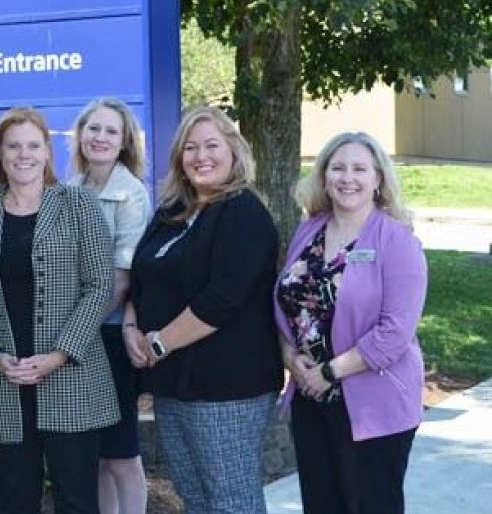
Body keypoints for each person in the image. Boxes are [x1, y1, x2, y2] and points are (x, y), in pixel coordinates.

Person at [122, 106, 283, 514]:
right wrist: (130, 328)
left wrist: (160, 343)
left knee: (231, 500)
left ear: (233, 151)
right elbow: (141, 278)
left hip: (227, 385)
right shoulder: (172, 212)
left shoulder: (243, 212)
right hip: (173, 382)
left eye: (212, 145)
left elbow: (222, 299)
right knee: (193, 495)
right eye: (190, 148)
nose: (201, 156)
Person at [0, 106, 119, 514]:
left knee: (77, 500)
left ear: (47, 152)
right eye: (13, 146)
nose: (23, 155)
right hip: (7, 382)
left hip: (71, 379)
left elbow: (99, 285)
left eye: (33, 145)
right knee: (14, 501)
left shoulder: (78, 203)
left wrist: (59, 354)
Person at [273, 132, 427, 514]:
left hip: (374, 404)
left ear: (378, 178)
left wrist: (328, 372)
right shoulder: (309, 230)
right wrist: (291, 358)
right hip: (311, 398)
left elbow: (395, 333)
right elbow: (289, 305)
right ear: (324, 177)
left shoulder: (397, 241)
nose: (347, 178)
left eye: (359, 169)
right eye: (338, 168)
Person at [67, 98, 150, 514]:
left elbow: (122, 279)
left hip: (110, 336)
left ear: (124, 142)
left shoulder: (131, 194)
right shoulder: (69, 190)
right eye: (93, 128)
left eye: (111, 131)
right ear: (81, 135)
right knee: (96, 454)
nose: (100, 137)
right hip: (76, 336)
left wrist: (72, 335)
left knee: (120, 453)